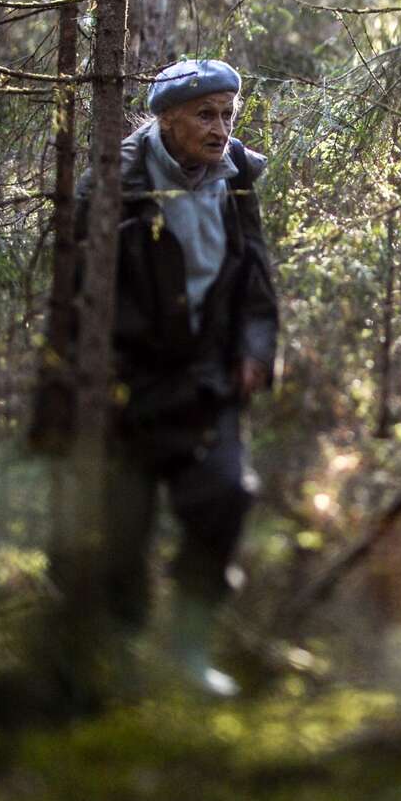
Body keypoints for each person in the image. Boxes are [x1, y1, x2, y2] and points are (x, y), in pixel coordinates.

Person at [80, 57, 281, 695]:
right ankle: (118, 659)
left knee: (225, 497)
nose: (221, 128)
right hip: (129, 384)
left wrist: (254, 349)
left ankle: (190, 653)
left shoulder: (238, 176)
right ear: (166, 119)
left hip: (209, 380)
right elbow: (79, 288)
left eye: (228, 114)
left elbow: (256, 276)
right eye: (205, 115)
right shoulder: (117, 180)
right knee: (120, 530)